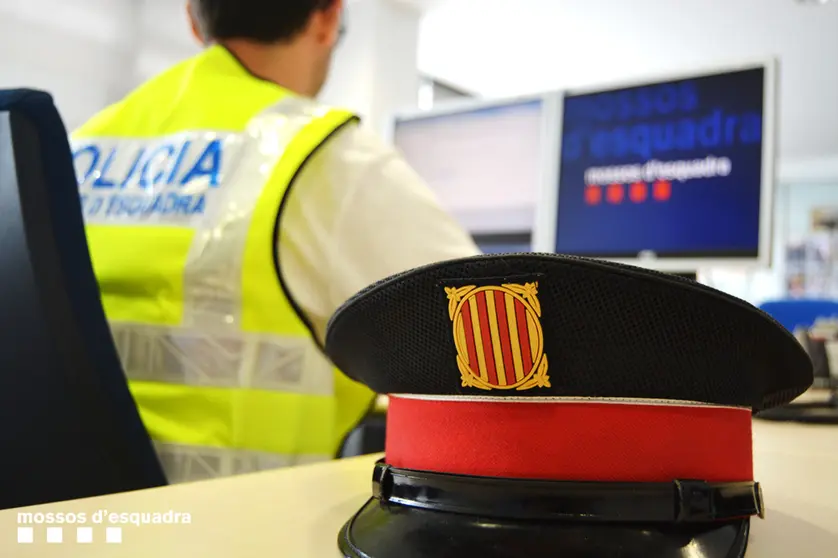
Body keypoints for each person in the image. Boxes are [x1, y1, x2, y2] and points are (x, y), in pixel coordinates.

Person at [69, 0, 479, 483]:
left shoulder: (80, 145)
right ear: (327, 18)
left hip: (65, 523)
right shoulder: (323, 156)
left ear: (191, 16)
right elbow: (496, 332)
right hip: (238, 528)